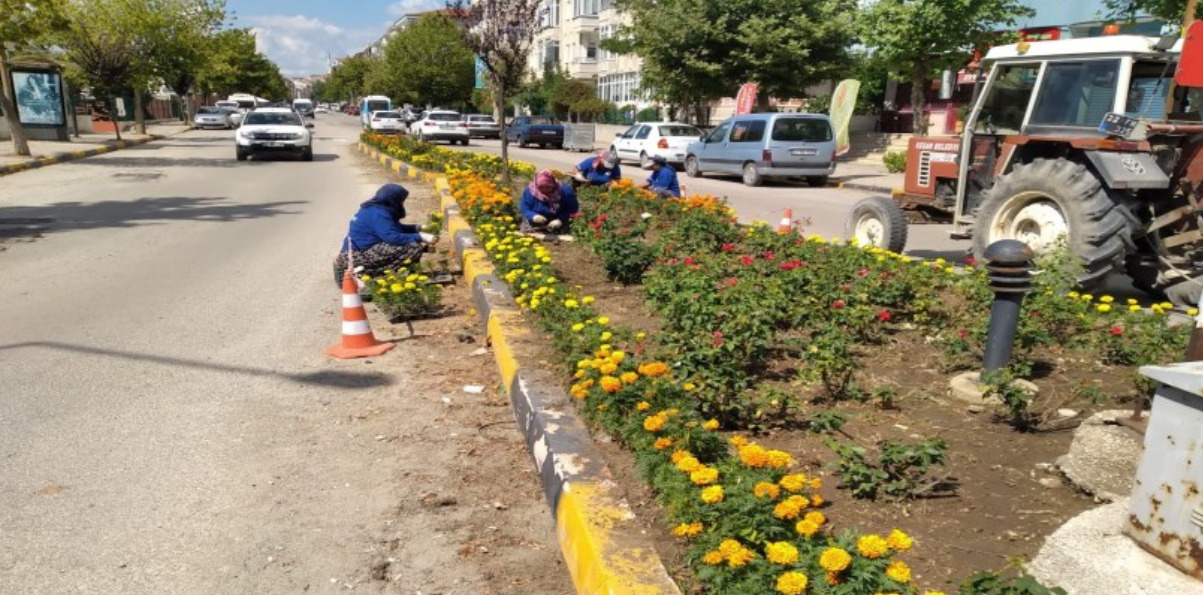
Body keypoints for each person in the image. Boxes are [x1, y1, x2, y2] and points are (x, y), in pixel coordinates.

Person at [333, 183, 436, 286]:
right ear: (393, 200)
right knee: (412, 247)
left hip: (356, 252)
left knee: (410, 242)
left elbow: (394, 229)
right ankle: (380, 275)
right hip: (356, 256)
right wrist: (421, 237)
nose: (402, 204)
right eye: (401, 201)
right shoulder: (379, 214)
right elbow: (392, 237)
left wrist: (418, 228)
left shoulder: (375, 208)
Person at [520, 170, 579, 234]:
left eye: (548, 187)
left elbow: (573, 209)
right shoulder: (530, 191)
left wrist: (561, 219)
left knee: (562, 231)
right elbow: (525, 207)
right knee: (529, 232)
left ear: (553, 184)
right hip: (537, 218)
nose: (545, 190)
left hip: (558, 218)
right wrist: (533, 216)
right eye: (541, 187)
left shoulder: (565, 192)